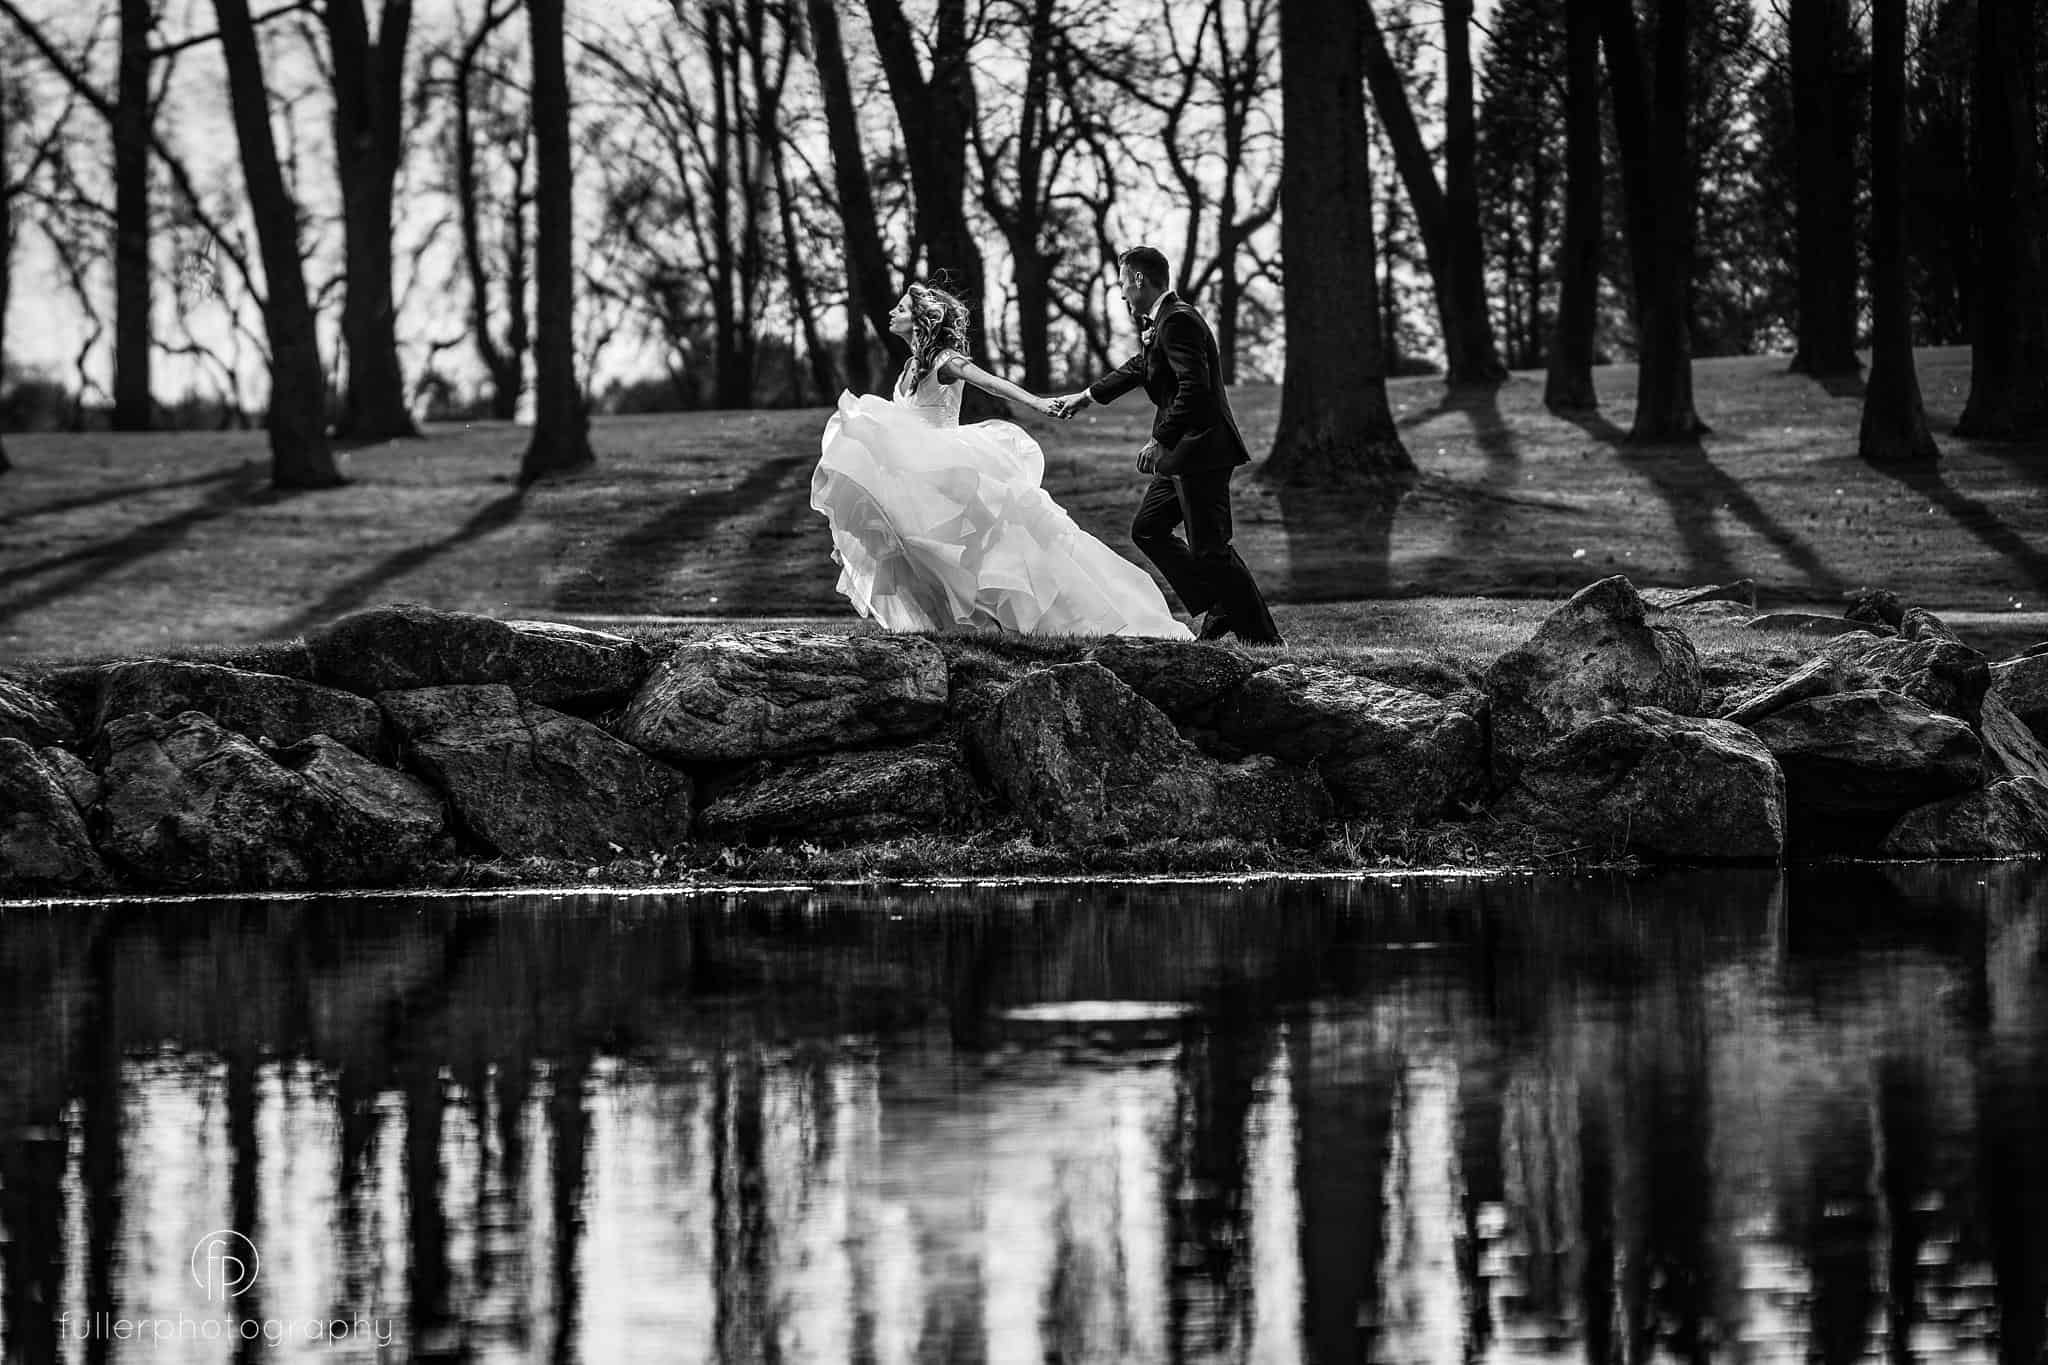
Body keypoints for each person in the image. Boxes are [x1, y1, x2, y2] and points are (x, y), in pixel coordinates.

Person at [811, 281, 1194, 639]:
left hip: (948, 464)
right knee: (913, 544)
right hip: (917, 473)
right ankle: (943, 626)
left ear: (922, 318)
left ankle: (1081, 613)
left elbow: (993, 383)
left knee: (992, 550)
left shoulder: (946, 360)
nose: (891, 313)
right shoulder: (911, 366)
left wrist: (1039, 404)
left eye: (901, 308)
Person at [1051, 247, 1281, 645]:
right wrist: (1085, 396)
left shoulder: (1179, 321)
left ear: (1139, 279)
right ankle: (1219, 601)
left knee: (1211, 548)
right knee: (1148, 529)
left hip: (1203, 450)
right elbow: (1141, 368)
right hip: (1182, 455)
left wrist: (1160, 439)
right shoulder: (1163, 322)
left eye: (1123, 282)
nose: (1122, 293)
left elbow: (1196, 388)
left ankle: (1265, 641)